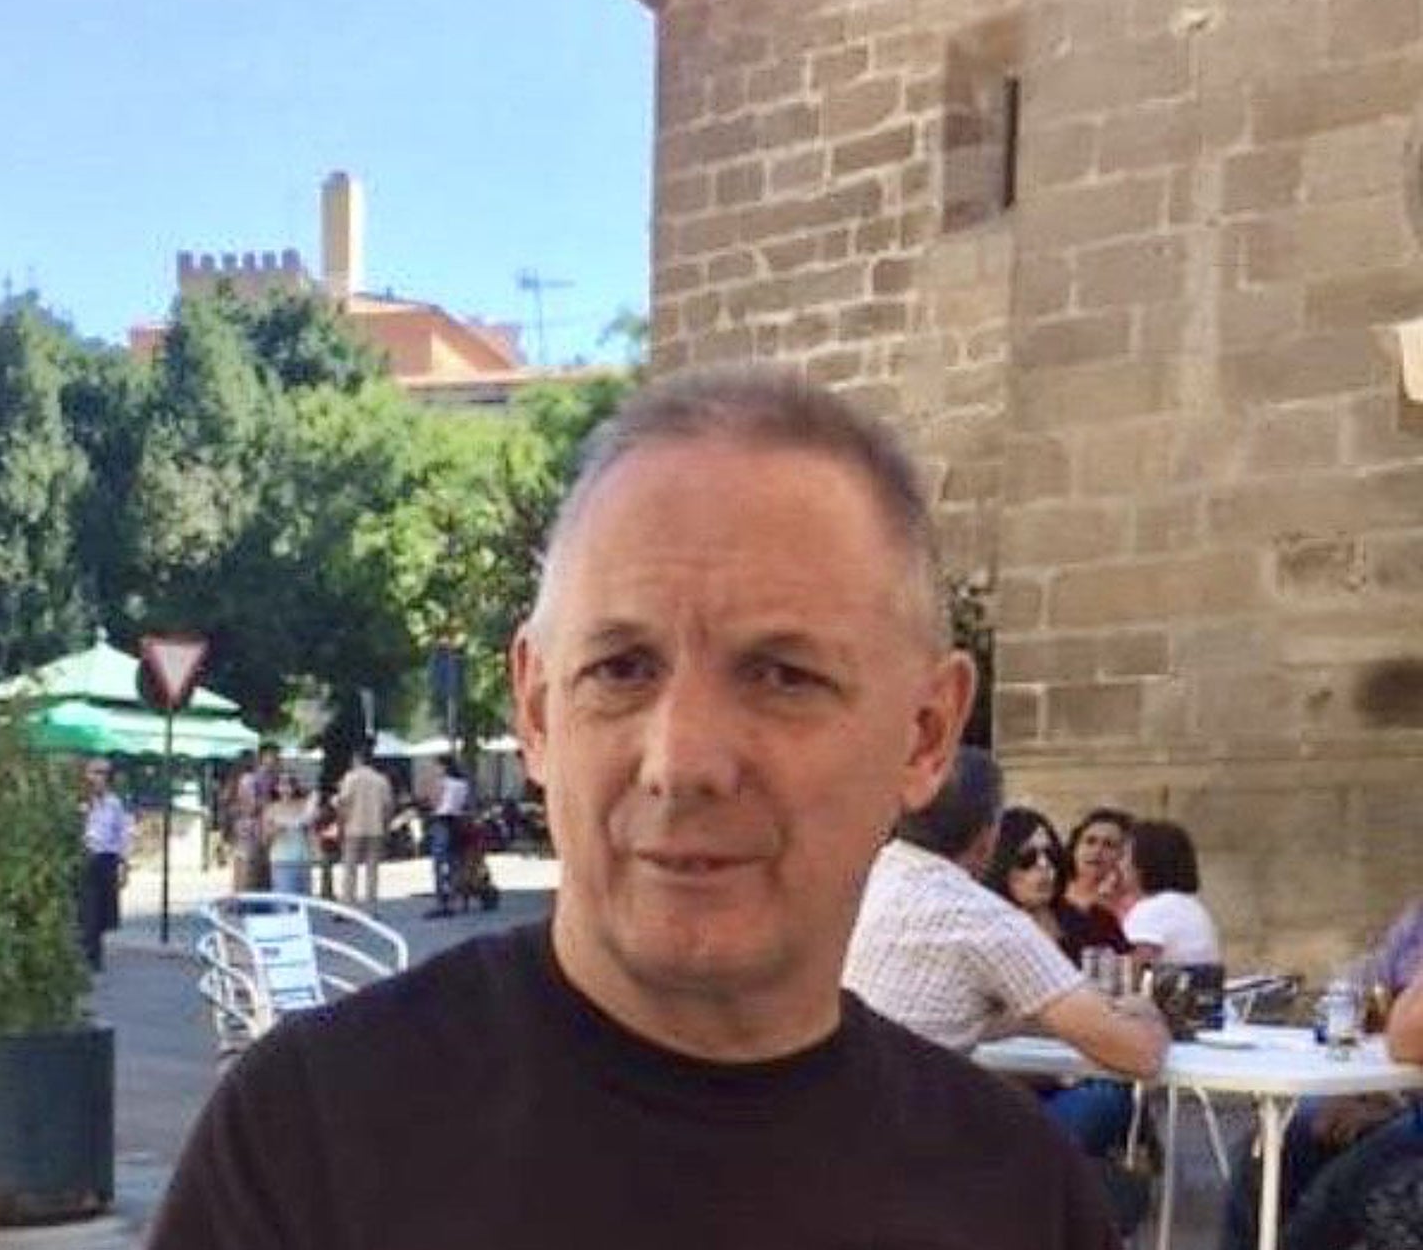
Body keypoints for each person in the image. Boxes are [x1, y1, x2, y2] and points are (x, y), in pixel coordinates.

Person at [147, 362, 1123, 1248]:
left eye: (783, 676)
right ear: (538, 711)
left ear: (924, 735)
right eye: (621, 668)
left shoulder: (1019, 1198)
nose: (682, 762)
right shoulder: (313, 1139)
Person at [846, 746, 1168, 1160]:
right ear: (989, 837)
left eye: (1050, 857)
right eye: (1028, 858)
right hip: (914, 1153)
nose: (1044, 869)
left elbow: (925, 1016)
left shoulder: (857, 881)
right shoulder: (985, 919)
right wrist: (1151, 1014)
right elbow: (1139, 1055)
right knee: (1111, 1163)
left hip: (826, 1134)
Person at [1221, 900, 1423, 1250]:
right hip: (1404, 1103)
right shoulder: (1416, 921)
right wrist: (1375, 1099)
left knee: (1343, 1190)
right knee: (1271, 1149)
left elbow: (1407, 1035)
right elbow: (1366, 986)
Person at [985, 805, 1131, 965]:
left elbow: (1133, 971)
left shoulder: (1093, 923)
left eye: (1050, 855)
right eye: (1028, 858)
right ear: (1001, 863)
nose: (1044, 865)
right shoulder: (986, 930)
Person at [1120, 819, 1220, 968]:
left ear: (1143, 862)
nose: (1120, 864)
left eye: (1125, 856)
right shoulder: (1191, 906)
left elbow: (1135, 969)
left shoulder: (1152, 910)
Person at [77, 757, 131, 973]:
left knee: (103, 911)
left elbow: (122, 834)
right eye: (95, 772)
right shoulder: (80, 803)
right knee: (87, 908)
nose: (99, 778)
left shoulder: (114, 803)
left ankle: (95, 953)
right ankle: (88, 955)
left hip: (107, 858)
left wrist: (124, 864)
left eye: (104, 774)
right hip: (86, 857)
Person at [335, 743, 392, 908]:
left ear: (357, 759)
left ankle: (348, 904)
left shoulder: (350, 778)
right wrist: (386, 826)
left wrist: (340, 826)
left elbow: (343, 803)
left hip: (353, 828)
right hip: (375, 828)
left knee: (350, 869)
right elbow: (388, 806)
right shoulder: (381, 780)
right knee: (372, 869)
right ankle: (371, 906)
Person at [1066, 806, 1136, 923]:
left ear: (1123, 855)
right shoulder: (1052, 893)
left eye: (1109, 845)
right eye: (1090, 841)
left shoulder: (1132, 907)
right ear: (1074, 848)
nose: (1097, 850)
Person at [423, 753, 470, 919]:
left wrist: (430, 789)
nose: (434, 769)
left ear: (443, 767)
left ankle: (441, 901)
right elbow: (463, 804)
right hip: (457, 821)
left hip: (441, 821)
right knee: (455, 861)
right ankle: (455, 898)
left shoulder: (443, 783)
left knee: (439, 862)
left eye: (436, 766)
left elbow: (434, 803)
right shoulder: (462, 783)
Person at [228, 742, 279, 892]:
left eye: (276, 756)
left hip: (265, 832)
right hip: (250, 831)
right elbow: (249, 806)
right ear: (262, 757)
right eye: (271, 756)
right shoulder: (250, 779)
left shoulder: (274, 779)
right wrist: (270, 805)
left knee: (262, 874)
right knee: (247, 872)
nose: (275, 760)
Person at [262, 774, 317, 897]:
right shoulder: (271, 809)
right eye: (282, 785)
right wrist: (277, 829)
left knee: (304, 900)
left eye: (289, 785)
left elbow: (311, 828)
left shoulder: (303, 805)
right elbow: (265, 838)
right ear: (276, 787)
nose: (285, 789)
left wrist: (314, 850)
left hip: (303, 860)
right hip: (282, 861)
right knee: (284, 901)